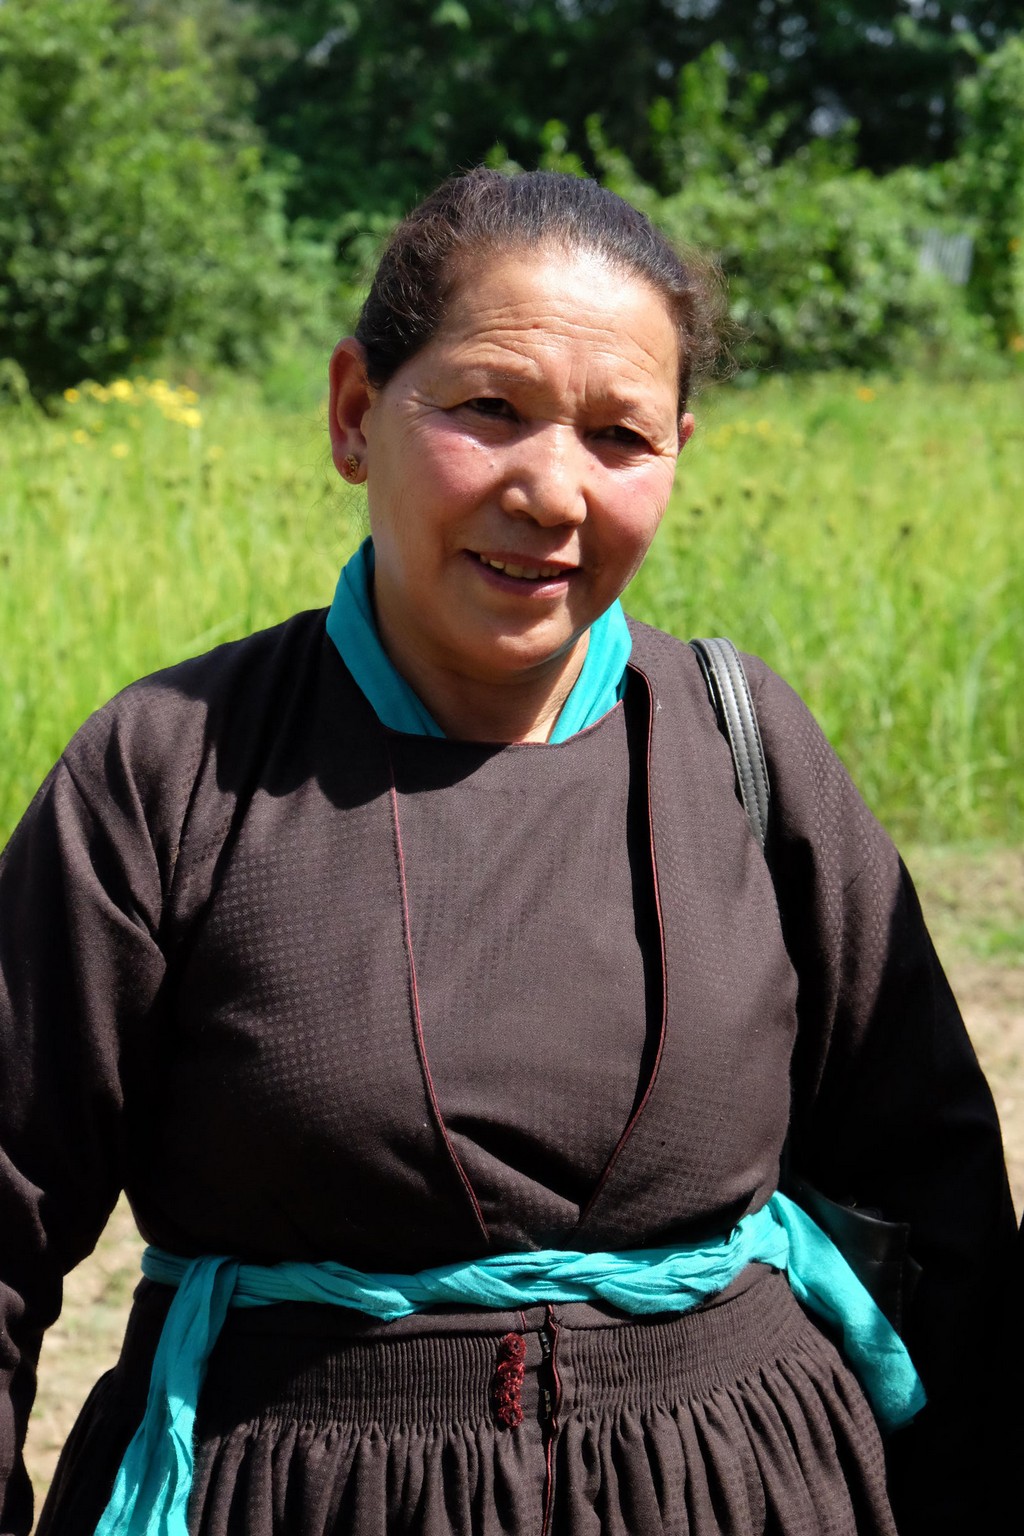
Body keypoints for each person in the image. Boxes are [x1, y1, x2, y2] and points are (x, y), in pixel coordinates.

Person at [0, 168, 1016, 1536]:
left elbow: (941, 1209)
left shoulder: (743, 744)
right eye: (488, 409)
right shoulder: (171, 769)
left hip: (741, 1493)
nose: (552, 492)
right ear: (355, 413)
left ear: (678, 452)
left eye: (620, 437)